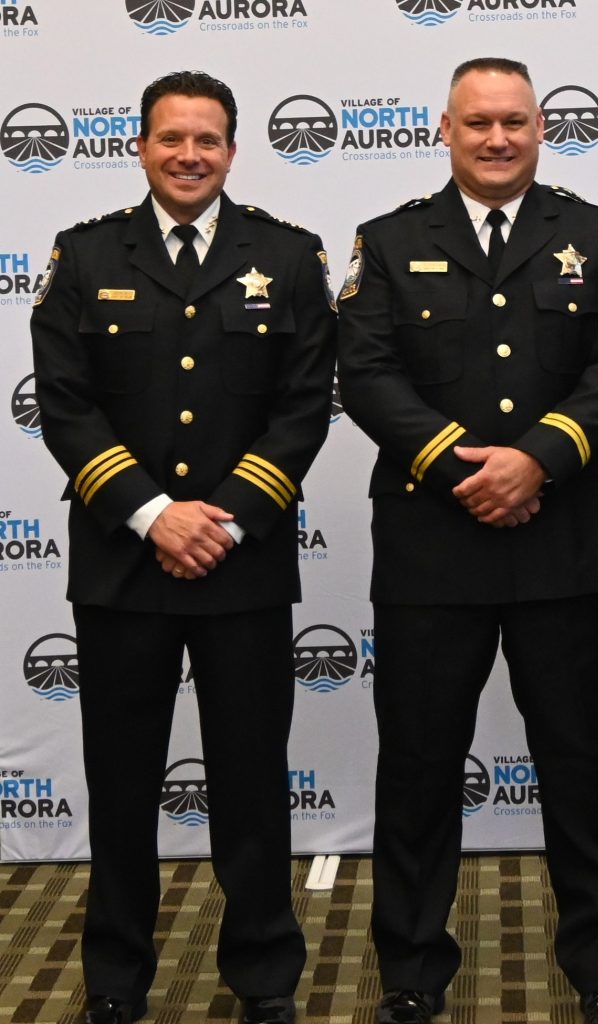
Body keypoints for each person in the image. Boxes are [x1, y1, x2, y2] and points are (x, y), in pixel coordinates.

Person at [336, 57, 598, 1024]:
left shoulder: (593, 234)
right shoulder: (389, 241)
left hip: (567, 549)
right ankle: (412, 973)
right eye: (479, 123)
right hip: (436, 551)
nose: (498, 138)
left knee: (585, 767)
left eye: (515, 121)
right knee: (420, 768)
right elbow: (368, 370)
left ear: (540, 128)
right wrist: (460, 465)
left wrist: (539, 459)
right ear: (446, 128)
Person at [30, 70, 337, 1024]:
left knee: (252, 782)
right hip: (123, 570)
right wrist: (154, 513)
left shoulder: (286, 257)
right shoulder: (84, 257)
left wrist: (223, 517)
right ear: (141, 146)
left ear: (234, 151)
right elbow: (65, 403)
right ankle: (116, 979)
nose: (191, 155)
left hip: (242, 567)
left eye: (208, 140)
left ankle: (265, 976)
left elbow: (302, 407)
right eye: (172, 139)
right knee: (120, 786)